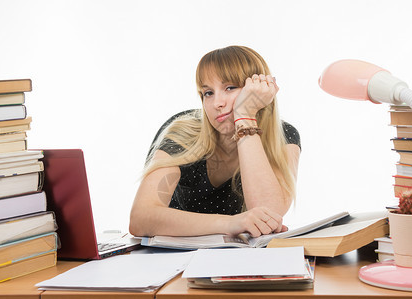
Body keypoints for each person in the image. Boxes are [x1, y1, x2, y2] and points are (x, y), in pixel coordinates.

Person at [129, 45, 301, 238]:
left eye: (230, 88)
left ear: (257, 90)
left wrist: (245, 117)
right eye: (208, 93)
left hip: (234, 262)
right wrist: (230, 223)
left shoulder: (284, 135)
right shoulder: (182, 132)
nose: (217, 103)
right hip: (170, 260)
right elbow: (141, 218)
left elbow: (269, 213)